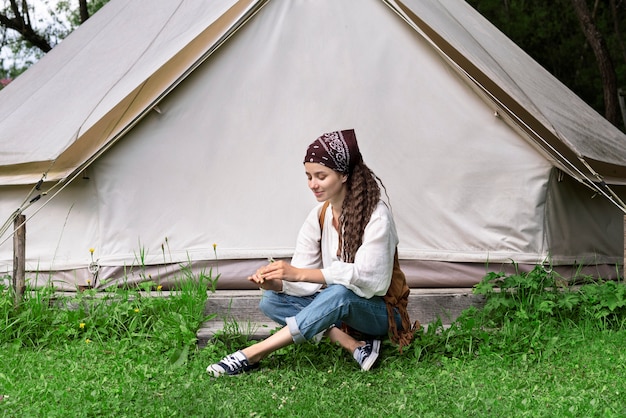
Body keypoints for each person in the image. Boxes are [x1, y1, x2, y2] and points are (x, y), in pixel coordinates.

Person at [207, 129, 409, 377]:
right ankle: (354, 345)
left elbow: (372, 281)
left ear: (344, 175)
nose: (313, 184)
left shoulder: (377, 216)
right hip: (344, 314)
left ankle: (254, 353)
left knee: (340, 293)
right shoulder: (320, 215)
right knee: (271, 300)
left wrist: (300, 274)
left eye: (321, 176)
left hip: (383, 314)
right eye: (309, 176)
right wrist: (278, 282)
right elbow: (302, 279)